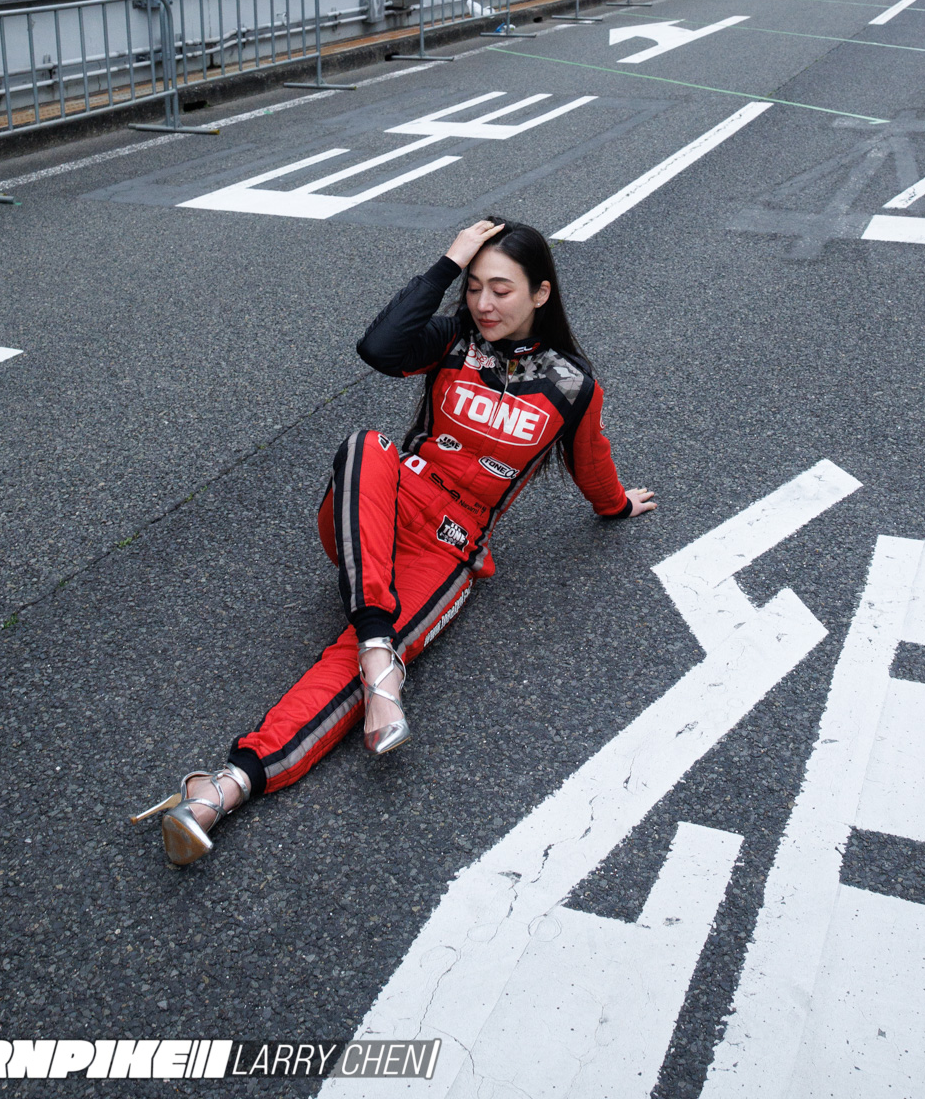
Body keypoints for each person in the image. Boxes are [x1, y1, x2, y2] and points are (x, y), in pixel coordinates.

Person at [132, 217, 656, 865]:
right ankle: (383, 657)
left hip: (447, 546)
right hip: (376, 509)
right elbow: (379, 348)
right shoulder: (455, 340)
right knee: (367, 445)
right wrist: (447, 262)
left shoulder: (572, 385)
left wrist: (615, 505)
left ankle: (227, 786)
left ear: (541, 293)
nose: (483, 304)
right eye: (474, 287)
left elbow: (591, 460)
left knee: (346, 662)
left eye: (501, 290)